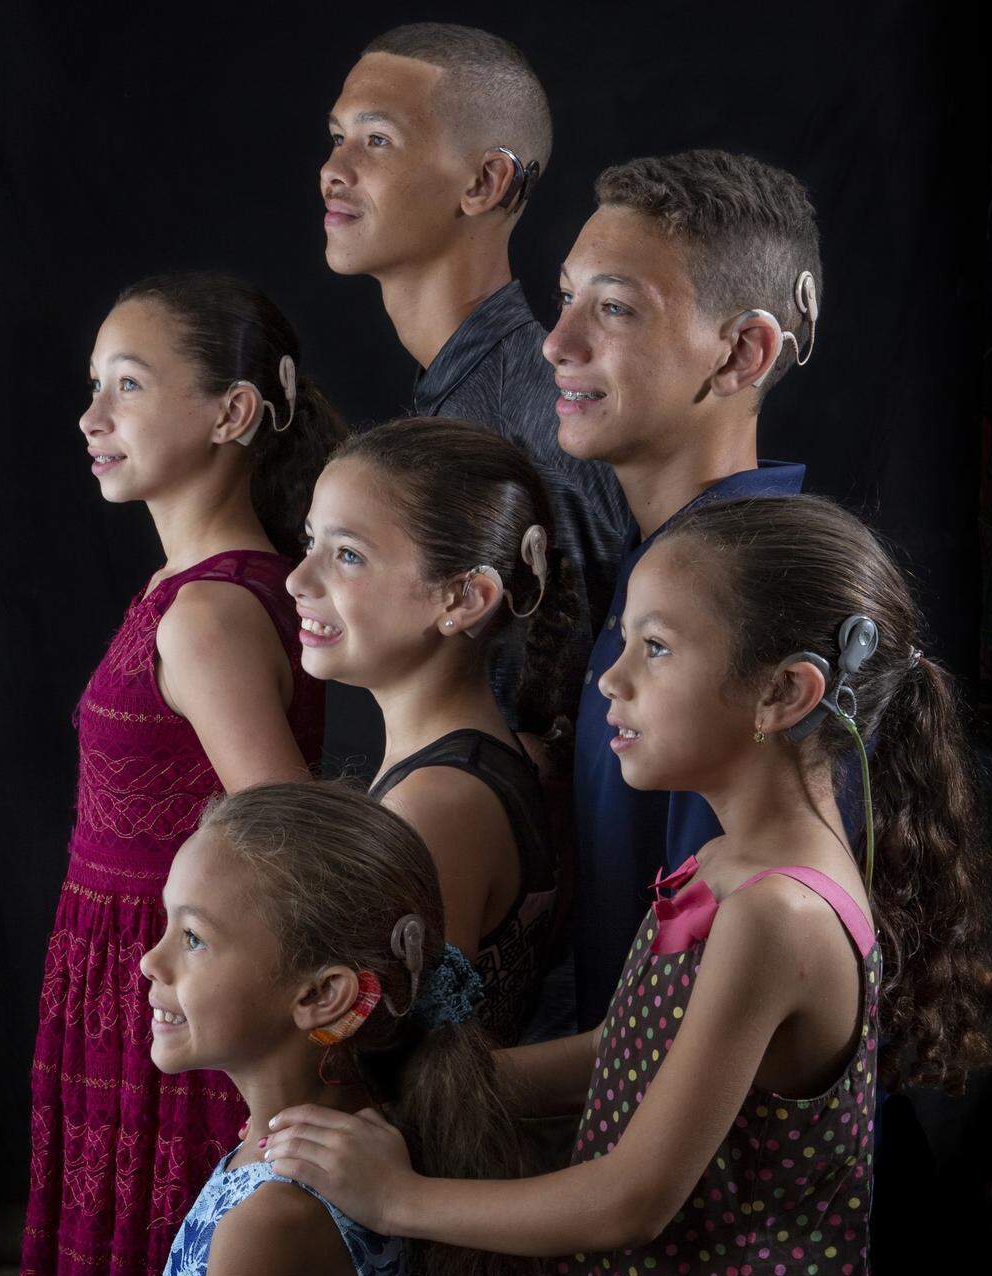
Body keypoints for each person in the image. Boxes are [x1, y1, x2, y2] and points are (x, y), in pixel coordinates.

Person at [263, 495, 992, 1276]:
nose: (610, 680)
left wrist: (394, 1196)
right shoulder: (731, 859)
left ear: (784, 693)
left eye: (654, 648)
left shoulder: (780, 916)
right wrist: (440, 1091)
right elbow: (636, 1045)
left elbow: (629, 1200)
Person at [11, 272, 340, 1276]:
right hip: (134, 988)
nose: (91, 418)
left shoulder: (207, 614)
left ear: (231, 414)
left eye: (129, 386)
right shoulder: (186, 584)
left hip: (180, 1006)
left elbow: (290, 848)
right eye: (93, 387)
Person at [133, 781, 541, 1276]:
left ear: (322, 996)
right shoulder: (335, 1135)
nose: (149, 962)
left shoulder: (274, 1225)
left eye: (193, 939)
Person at [548, 149, 821, 1028]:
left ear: (742, 351)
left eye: (616, 308)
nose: (559, 343)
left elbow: (699, 1023)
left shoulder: (748, 610)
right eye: (567, 297)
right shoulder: (658, 565)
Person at [321, 22, 629, 722]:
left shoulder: (545, 419)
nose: (333, 170)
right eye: (337, 136)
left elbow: (555, 740)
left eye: (376, 140)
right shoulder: (460, 394)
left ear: (485, 182)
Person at [285, 417, 575, 1046]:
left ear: (464, 598)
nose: (298, 580)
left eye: (348, 556)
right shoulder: (467, 768)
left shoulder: (437, 806)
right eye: (311, 543)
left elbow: (410, 1067)